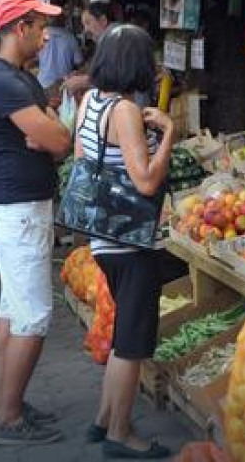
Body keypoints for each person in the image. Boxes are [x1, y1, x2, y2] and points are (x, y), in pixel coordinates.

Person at [0, 0, 70, 446]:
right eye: (40, 25)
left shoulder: (16, 78)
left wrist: (48, 135)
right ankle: (8, 418)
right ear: (18, 28)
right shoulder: (0, 81)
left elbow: (54, 133)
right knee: (33, 317)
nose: (46, 35)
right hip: (18, 209)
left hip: (19, 206)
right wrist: (47, 135)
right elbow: (59, 139)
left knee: (13, 310)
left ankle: (2, 403)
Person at [77, 25, 177, 459]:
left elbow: (83, 160)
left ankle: (102, 420)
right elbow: (147, 181)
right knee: (131, 344)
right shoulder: (124, 111)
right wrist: (169, 132)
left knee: (123, 333)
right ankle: (121, 434)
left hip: (103, 236)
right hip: (131, 243)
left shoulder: (89, 102)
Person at [38, 12, 82, 92]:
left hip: (43, 84)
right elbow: (78, 62)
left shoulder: (40, 35)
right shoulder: (70, 37)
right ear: (62, 19)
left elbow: (33, 59)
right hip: (64, 85)